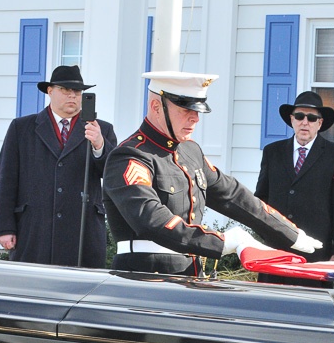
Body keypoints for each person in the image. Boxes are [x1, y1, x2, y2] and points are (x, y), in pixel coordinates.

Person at [103, 71, 321, 276]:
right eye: (186, 110)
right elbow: (151, 220)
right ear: (156, 107)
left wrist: (289, 233)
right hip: (145, 277)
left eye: (197, 111)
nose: (195, 118)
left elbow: (232, 196)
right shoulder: (131, 156)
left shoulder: (190, 151)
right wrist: (223, 242)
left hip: (191, 275)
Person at [0, 65, 117, 267]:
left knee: (80, 285)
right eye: (65, 90)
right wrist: (4, 227)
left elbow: (113, 175)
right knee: (33, 283)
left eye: (77, 91)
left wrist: (99, 145)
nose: (72, 96)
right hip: (34, 230)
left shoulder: (101, 129)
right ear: (50, 91)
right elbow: (6, 179)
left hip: (83, 232)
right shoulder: (21, 128)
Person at [255, 91, 334, 287]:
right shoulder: (272, 152)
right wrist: (263, 236)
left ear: (320, 123)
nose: (305, 122)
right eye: (299, 116)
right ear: (292, 120)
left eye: (311, 118)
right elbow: (261, 199)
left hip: (315, 252)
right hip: (275, 250)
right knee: (271, 301)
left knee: (310, 302)